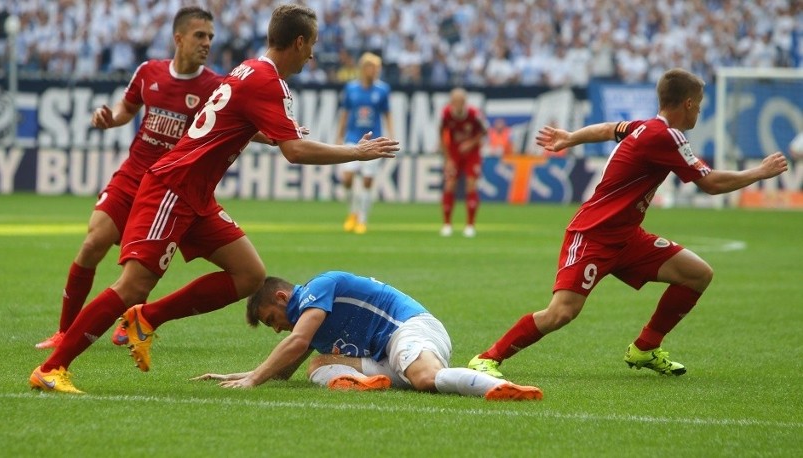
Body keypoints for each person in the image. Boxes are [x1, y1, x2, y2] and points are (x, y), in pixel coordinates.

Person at [29, 3, 400, 394]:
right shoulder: (267, 81)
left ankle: (146, 318)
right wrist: (355, 152)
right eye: (312, 45)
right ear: (299, 41)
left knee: (250, 275)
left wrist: (280, 133)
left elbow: (247, 129)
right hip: (173, 187)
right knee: (133, 285)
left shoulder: (249, 69)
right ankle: (52, 367)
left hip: (197, 195)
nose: (313, 55)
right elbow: (295, 151)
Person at [467, 68, 788, 378]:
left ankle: (646, 347)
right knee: (561, 312)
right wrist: (759, 173)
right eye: (699, 106)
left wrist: (570, 139)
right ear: (688, 103)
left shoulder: (645, 127)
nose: (699, 113)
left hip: (626, 237)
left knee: (697, 274)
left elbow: (608, 129)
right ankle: (487, 357)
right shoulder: (666, 135)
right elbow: (711, 183)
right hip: (593, 234)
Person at [35, 6, 222, 350]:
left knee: (140, 270)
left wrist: (275, 134)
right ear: (178, 38)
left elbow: (233, 124)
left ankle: (134, 317)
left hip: (169, 187)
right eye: (200, 36)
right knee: (93, 242)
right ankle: (64, 331)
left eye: (210, 37)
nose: (207, 43)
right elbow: (127, 109)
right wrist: (110, 118)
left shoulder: (214, 87)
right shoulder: (149, 71)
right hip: (133, 174)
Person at [192, 272, 543, 402]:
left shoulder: (318, 288)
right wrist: (241, 375)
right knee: (318, 364)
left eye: (272, 320)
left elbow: (294, 342)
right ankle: (360, 382)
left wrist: (254, 379)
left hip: (410, 329)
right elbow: (285, 369)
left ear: (283, 298)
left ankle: (495, 387)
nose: (277, 329)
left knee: (424, 379)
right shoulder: (309, 323)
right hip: (384, 357)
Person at [336, 52, 394, 235]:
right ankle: (352, 212)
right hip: (353, 138)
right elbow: (345, 113)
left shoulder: (382, 90)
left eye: (377, 68)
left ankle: (362, 218)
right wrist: (339, 136)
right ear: (363, 68)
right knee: (347, 178)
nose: (374, 71)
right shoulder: (351, 89)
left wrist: (391, 134)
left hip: (374, 139)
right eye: (372, 67)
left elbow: (387, 114)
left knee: (368, 181)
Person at [438, 87, 488, 238]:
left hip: (472, 154)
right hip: (454, 153)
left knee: (471, 185)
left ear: (464, 102)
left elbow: (484, 132)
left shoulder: (474, 114)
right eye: (454, 101)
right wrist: (447, 159)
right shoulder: (446, 114)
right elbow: (441, 134)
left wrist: (471, 143)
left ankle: (470, 225)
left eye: (459, 101)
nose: (457, 104)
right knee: (450, 185)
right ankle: (447, 224)